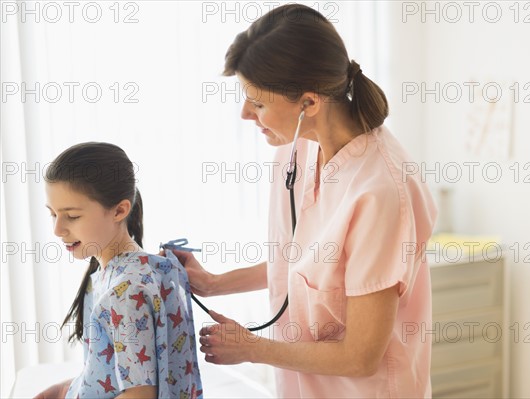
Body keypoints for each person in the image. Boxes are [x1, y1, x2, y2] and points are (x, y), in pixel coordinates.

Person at [175, 3, 438, 398]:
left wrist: (250, 348)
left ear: (309, 103)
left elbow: (362, 356)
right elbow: (303, 268)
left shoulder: (380, 191)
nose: (246, 114)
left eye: (258, 103)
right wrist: (213, 284)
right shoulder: (296, 148)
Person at [36, 142, 203, 399]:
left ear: (119, 210)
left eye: (72, 216)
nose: (57, 230)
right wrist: (63, 390)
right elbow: (109, 374)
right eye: (53, 214)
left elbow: (140, 395)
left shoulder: (126, 292)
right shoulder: (122, 274)